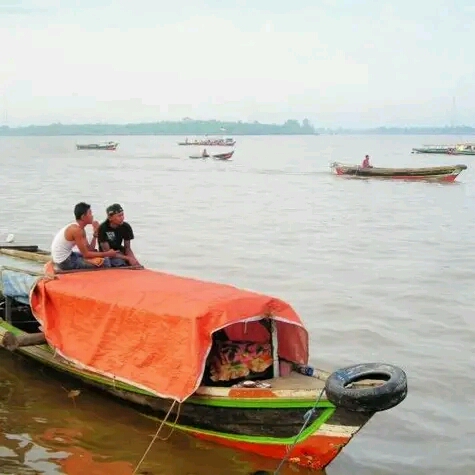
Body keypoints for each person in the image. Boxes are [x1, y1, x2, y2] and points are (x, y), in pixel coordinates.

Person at [51, 202, 119, 271]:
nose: (92, 215)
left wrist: (95, 234)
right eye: (90, 213)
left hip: (69, 255)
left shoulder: (81, 228)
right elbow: (86, 254)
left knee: (97, 254)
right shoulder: (76, 230)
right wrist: (107, 254)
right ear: (83, 217)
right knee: (106, 262)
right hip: (64, 262)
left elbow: (90, 249)